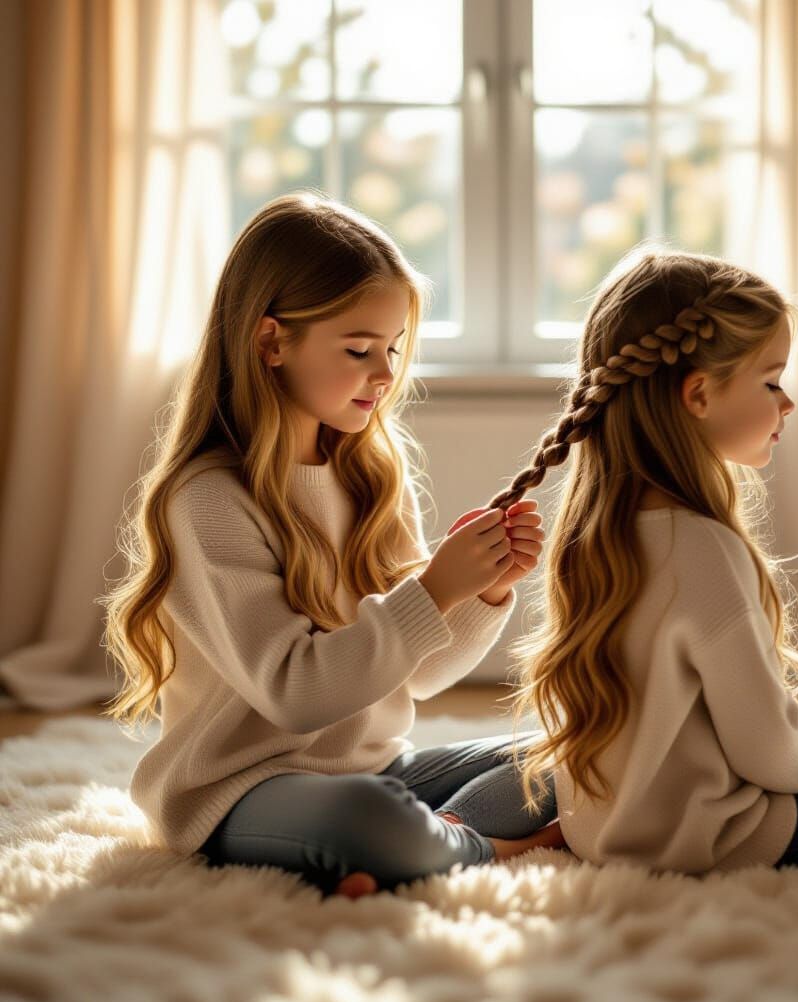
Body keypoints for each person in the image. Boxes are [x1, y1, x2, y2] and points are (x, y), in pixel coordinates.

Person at [100, 190, 564, 900]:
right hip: (242, 790)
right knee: (365, 815)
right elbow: (296, 696)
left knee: (573, 755)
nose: (384, 374)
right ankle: (473, 845)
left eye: (393, 350)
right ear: (271, 342)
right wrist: (435, 589)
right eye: (358, 349)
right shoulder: (209, 502)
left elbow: (412, 677)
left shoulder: (370, 474)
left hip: (376, 770)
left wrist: (485, 589)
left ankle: (419, 845)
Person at [488, 244, 798, 876]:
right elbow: (768, 752)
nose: (788, 403)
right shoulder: (704, 549)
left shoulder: (596, 532)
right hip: (699, 836)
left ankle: (552, 837)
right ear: (697, 394)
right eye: (772, 381)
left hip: (613, 823)